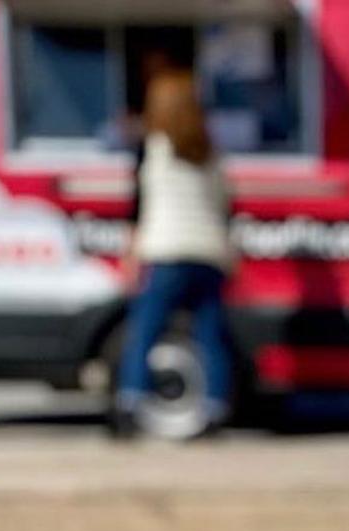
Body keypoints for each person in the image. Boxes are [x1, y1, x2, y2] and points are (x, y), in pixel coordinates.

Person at [112, 71, 235, 440]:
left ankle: (130, 405)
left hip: (165, 250)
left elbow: (138, 208)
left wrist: (130, 256)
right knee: (210, 336)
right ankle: (214, 410)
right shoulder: (210, 152)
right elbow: (225, 204)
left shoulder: (150, 148)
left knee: (144, 333)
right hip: (209, 252)